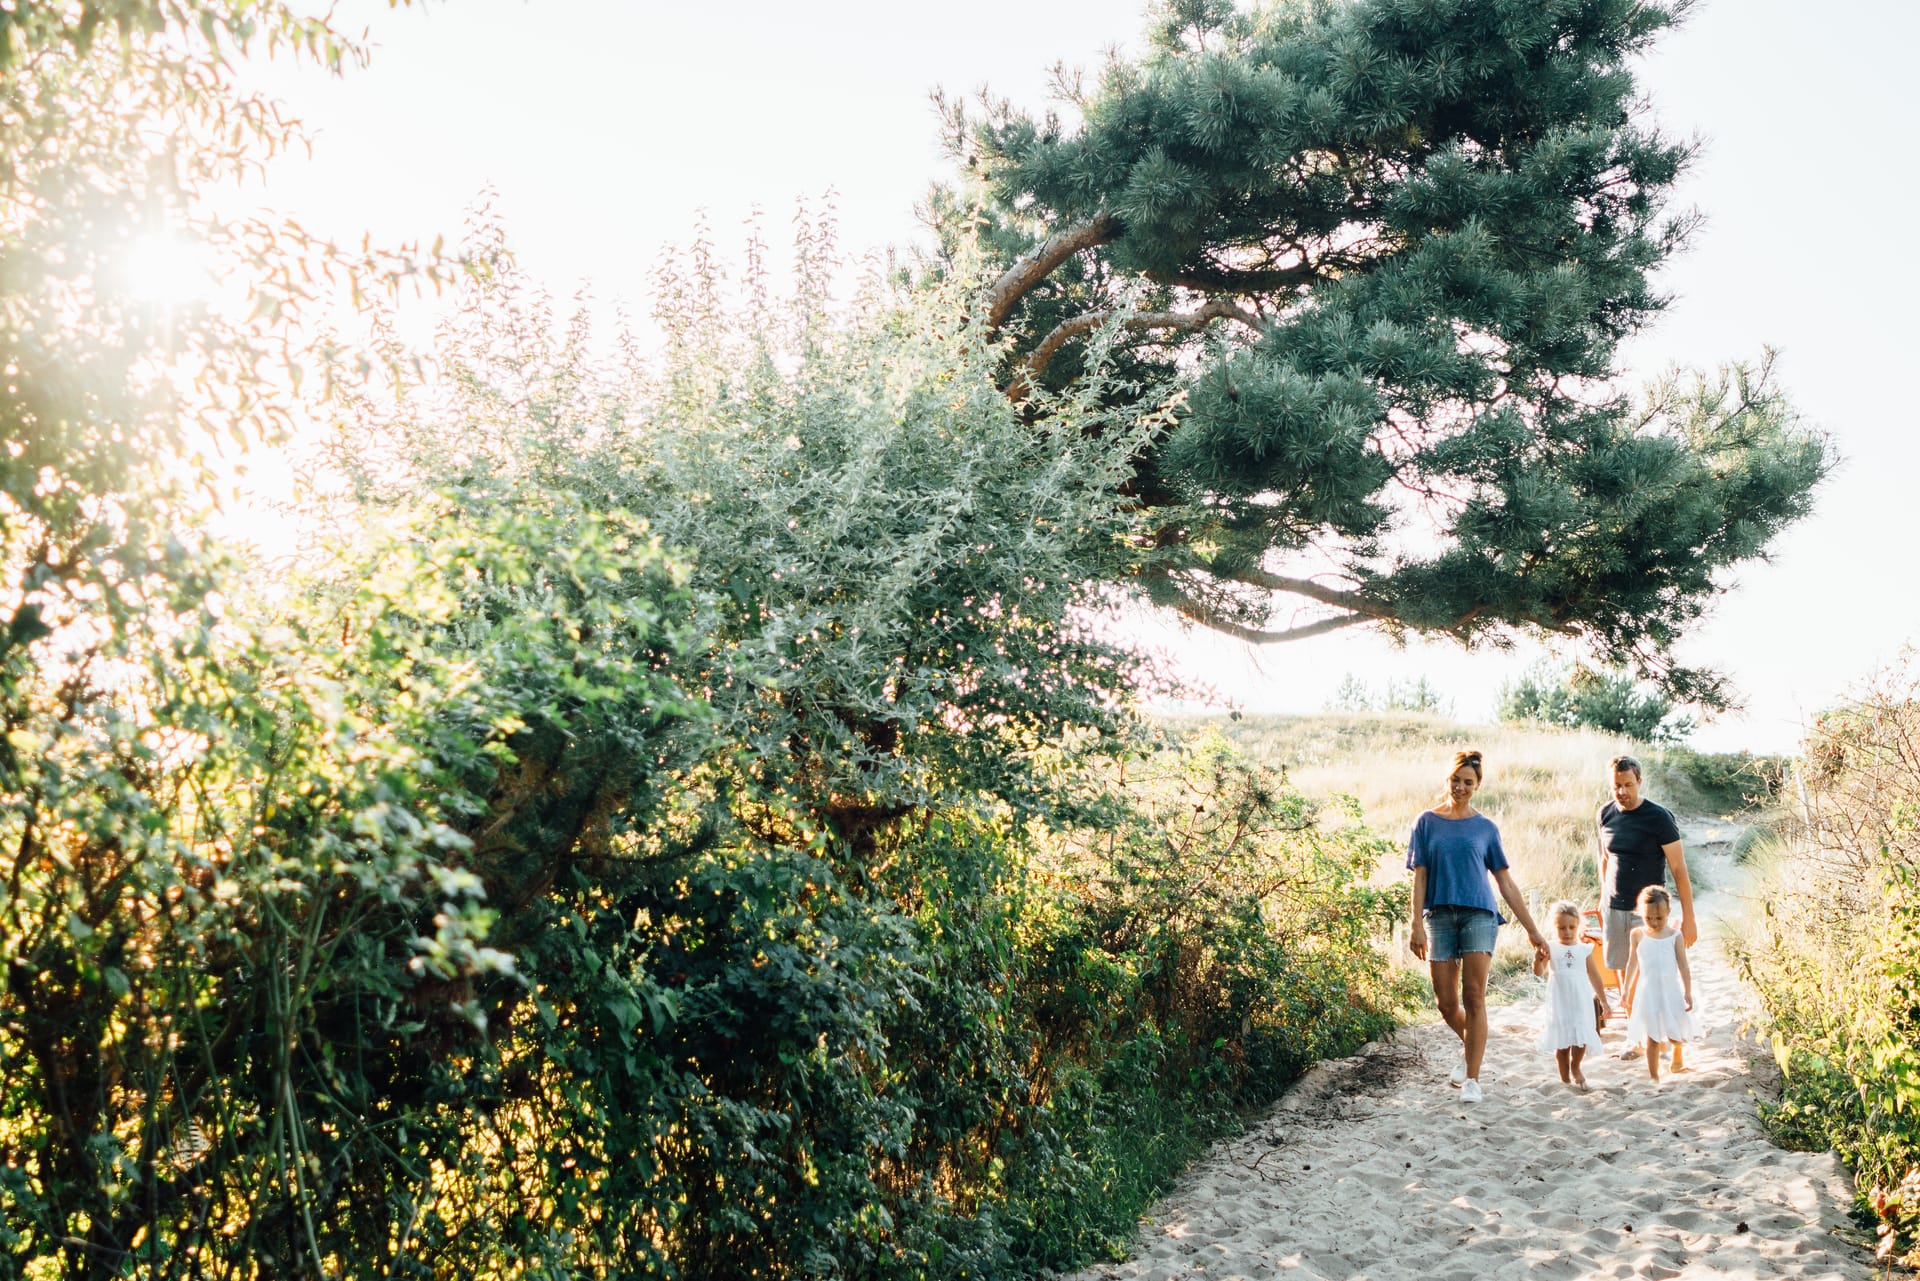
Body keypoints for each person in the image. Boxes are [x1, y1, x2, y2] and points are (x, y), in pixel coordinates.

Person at [1407, 748, 1551, 1103]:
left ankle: (1472, 1078)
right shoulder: (1426, 822)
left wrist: (1533, 930)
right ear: (1448, 779)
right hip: (1439, 916)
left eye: (1468, 782)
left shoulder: (1486, 828)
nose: (1460, 787)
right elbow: (1420, 877)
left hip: (1479, 915)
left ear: (1478, 786)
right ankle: (1472, 1045)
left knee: (1474, 996)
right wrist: (1415, 924)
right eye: (1455, 780)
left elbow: (1506, 883)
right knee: (1445, 1003)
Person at [1595, 754, 1696, 1021]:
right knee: (1621, 968)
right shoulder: (1605, 814)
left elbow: (1679, 869)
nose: (1622, 792)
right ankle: (1633, 1023)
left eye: (1628, 785)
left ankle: (1645, 1027)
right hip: (1614, 906)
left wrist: (1689, 918)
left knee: (1645, 970)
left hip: (1649, 910)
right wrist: (1603, 896)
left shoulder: (1659, 817)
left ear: (1639, 781)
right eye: (1616, 786)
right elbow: (1604, 858)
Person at [1623, 885, 1697, 1082]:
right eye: (1649, 918)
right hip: (1648, 993)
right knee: (1652, 1036)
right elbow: (1632, 963)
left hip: (1670, 991)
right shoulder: (1637, 935)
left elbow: (1683, 965)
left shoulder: (1675, 936)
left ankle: (1677, 1055)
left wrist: (1688, 992)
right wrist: (1626, 990)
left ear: (1668, 912)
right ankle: (1654, 1076)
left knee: (1675, 1032)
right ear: (1640, 913)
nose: (1654, 922)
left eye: (1659, 918)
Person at [1534, 900, 1608, 1092]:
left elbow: (1594, 976)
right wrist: (1538, 960)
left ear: (1578, 926)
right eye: (1562, 928)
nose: (1567, 932)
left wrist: (1604, 1000)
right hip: (1560, 999)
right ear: (1554, 927)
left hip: (1580, 998)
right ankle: (1565, 1079)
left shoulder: (1584, 949)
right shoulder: (1551, 947)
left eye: (1571, 927)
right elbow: (1539, 972)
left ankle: (1576, 1066)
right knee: (1562, 1041)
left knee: (1581, 1035)